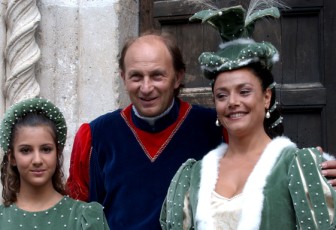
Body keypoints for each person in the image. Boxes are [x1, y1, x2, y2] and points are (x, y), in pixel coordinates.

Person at [160, 2, 336, 230]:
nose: (233, 102)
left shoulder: (300, 167)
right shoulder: (194, 176)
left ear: (266, 97)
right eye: (222, 95)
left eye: (244, 91)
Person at [66, 31, 223, 229]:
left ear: (177, 77)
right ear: (123, 78)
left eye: (157, 76)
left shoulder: (213, 128)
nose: (146, 88)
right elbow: (78, 214)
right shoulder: (96, 137)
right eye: (136, 77)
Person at [0, 98, 109, 229]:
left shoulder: (84, 218)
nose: (37, 160)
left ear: (57, 153)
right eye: (26, 150)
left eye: (46, 149)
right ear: (12, 157)